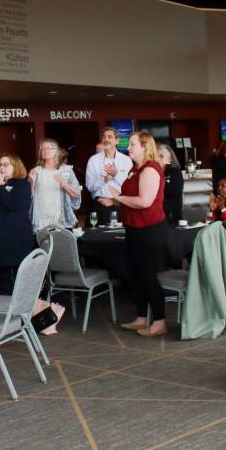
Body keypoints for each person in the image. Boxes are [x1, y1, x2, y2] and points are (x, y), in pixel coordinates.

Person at [102, 132, 169, 337]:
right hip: (134, 228)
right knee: (136, 275)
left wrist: (119, 198)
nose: (128, 148)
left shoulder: (150, 169)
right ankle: (141, 317)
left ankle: (159, 321)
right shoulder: (135, 169)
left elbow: (144, 201)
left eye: (132, 144)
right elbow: (132, 198)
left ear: (144, 146)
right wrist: (114, 201)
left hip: (149, 230)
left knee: (148, 275)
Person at [0, 153, 34, 294]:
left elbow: (11, 204)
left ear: (16, 167)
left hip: (16, 241)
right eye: (0, 164)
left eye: (6, 164)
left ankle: (20, 313)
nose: (2, 167)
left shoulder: (22, 184)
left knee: (18, 284)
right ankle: (5, 312)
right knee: (3, 283)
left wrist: (0, 186)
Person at [29, 138, 81, 232]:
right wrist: (32, 183)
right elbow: (29, 199)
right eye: (43, 149)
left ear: (57, 150)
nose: (46, 151)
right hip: (42, 220)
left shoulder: (66, 170)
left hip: (61, 219)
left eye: (50, 148)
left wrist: (64, 184)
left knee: (62, 246)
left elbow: (76, 195)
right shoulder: (36, 171)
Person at [84, 126, 132, 224]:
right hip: (98, 205)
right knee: (95, 237)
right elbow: (89, 186)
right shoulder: (93, 160)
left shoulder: (126, 160)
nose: (106, 139)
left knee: (118, 238)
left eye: (110, 137)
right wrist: (105, 179)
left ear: (117, 141)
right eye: (104, 137)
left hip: (119, 205)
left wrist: (116, 174)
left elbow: (130, 186)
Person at [158, 144, 184, 225]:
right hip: (157, 215)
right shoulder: (154, 172)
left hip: (172, 216)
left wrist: (159, 179)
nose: (158, 159)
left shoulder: (175, 172)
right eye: (156, 156)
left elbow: (175, 191)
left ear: (170, 158)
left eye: (161, 156)